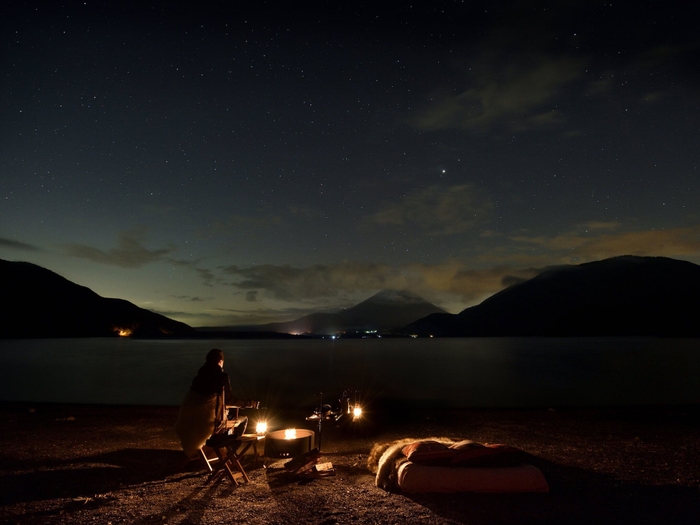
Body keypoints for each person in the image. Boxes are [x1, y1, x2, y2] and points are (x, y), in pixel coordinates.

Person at [174, 348, 255, 458]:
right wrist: (248, 403)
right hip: (211, 423)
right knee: (243, 419)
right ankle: (231, 454)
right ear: (220, 361)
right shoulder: (222, 377)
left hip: (191, 421)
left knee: (228, 417)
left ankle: (209, 453)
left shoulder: (197, 378)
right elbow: (229, 400)